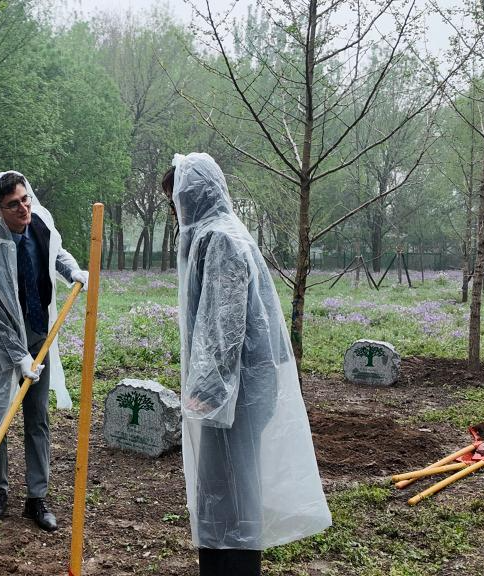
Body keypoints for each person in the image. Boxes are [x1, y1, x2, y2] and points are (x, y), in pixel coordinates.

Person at [162, 153, 331, 575]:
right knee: (224, 487)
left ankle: (232, 567)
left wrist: (209, 389)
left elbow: (226, 323)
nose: (173, 212)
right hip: (239, 388)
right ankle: (221, 561)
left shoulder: (219, 238)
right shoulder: (219, 233)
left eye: (175, 200)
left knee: (232, 490)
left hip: (237, 392)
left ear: (193, 196)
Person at [0, 171, 88, 532]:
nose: (23, 208)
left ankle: (37, 498)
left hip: (38, 335)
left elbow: (55, 253)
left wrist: (72, 270)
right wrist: (18, 357)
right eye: (12, 205)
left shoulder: (41, 222)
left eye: (25, 199)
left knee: (37, 417)